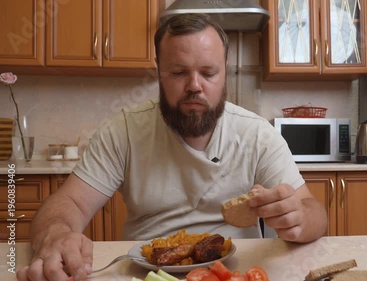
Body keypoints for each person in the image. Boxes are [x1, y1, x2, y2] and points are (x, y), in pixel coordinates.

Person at [16, 13, 327, 281]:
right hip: (147, 273)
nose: (194, 85)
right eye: (179, 72)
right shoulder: (123, 131)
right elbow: (68, 203)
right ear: (159, 71)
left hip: (233, 274)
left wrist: (299, 217)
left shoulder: (258, 135)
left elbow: (314, 213)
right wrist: (56, 234)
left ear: (225, 70)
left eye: (208, 73)